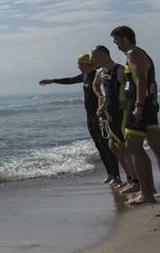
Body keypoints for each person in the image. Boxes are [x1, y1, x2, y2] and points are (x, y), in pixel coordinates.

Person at [110, 25, 160, 204]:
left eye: (116, 40)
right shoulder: (136, 54)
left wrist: (139, 105)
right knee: (156, 146)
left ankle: (146, 193)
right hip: (148, 105)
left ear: (125, 38)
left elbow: (142, 80)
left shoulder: (134, 53)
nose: (116, 44)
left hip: (140, 106)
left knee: (133, 147)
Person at [40, 54, 121, 184]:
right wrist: (53, 80)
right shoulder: (84, 76)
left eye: (79, 64)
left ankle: (117, 176)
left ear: (86, 63)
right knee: (99, 145)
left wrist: (103, 110)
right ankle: (110, 174)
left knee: (106, 145)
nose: (78, 67)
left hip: (99, 114)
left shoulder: (97, 74)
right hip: (89, 116)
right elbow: (70, 80)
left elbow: (107, 92)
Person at [90, 46, 136, 188]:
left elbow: (130, 88)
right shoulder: (100, 73)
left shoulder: (119, 70)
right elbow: (95, 86)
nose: (93, 60)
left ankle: (134, 180)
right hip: (109, 113)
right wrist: (101, 99)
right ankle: (130, 177)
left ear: (104, 55)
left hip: (120, 113)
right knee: (113, 146)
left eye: (95, 57)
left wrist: (128, 104)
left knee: (123, 147)